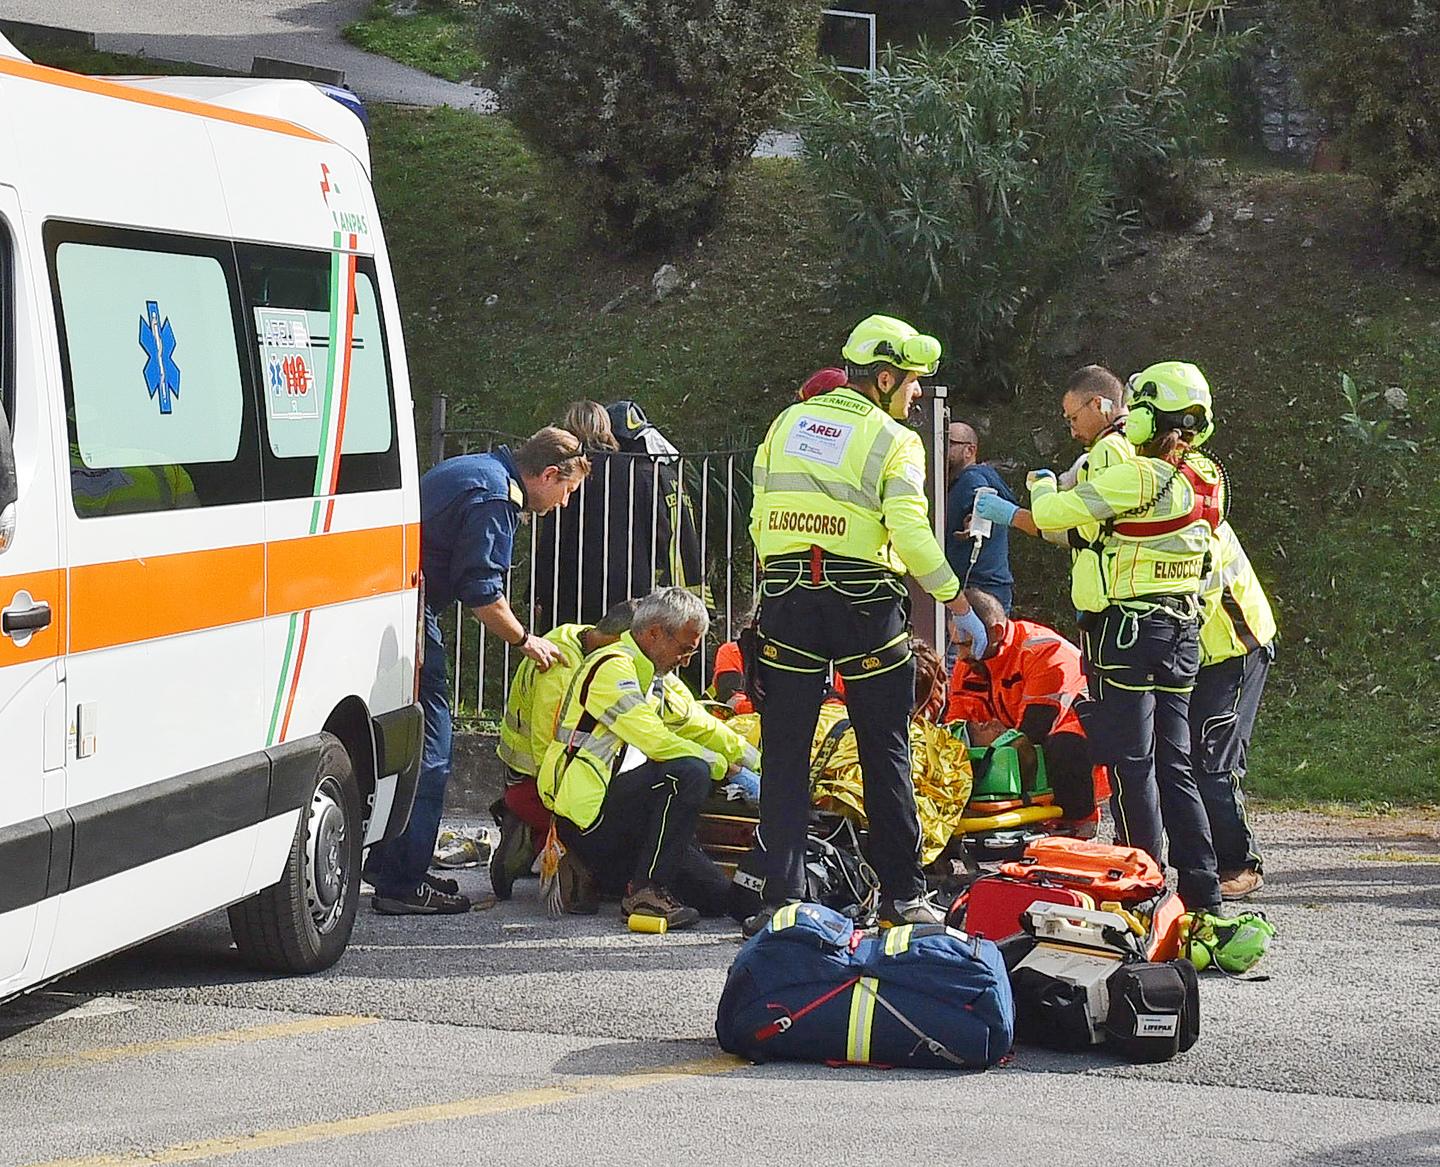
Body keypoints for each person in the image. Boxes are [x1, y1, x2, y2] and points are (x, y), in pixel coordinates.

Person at [747, 313, 988, 932]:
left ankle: (782, 903)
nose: (914, 396)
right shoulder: (893, 439)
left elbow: (758, 517)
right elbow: (909, 531)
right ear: (883, 378)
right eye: (911, 383)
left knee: (785, 756)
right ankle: (902, 897)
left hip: (787, 601)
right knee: (885, 750)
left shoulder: (786, 423)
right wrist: (955, 601)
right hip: (864, 607)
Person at [976, 361, 1225, 913]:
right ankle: (1203, 891)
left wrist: (1043, 482)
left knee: (1131, 764)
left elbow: (1053, 513)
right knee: (1175, 764)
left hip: (1132, 633)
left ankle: (1144, 883)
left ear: (1143, 416)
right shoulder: (1207, 477)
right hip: (1184, 629)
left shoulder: (1140, 474)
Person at [365, 427, 589, 915]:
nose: (564, 504)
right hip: (408, 610)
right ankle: (401, 885)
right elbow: (483, 595)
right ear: (548, 474)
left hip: (388, 602)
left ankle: (391, 866)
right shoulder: (496, 498)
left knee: (403, 741)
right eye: (566, 492)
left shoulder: (477, 469)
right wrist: (526, 641)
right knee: (432, 751)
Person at [537, 588, 761, 929]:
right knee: (690, 771)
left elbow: (705, 728)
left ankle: (605, 878)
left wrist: (761, 765)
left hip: (624, 813)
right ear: (655, 632)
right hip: (586, 818)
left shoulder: (659, 679)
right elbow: (656, 742)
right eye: (685, 649)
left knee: (723, 900)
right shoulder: (610, 668)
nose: (686, 660)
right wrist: (729, 770)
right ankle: (645, 891)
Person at [492, 598, 638, 899]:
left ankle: (536, 834)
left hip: (528, 773)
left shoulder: (575, 635)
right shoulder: (561, 671)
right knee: (603, 836)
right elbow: (549, 751)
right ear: (622, 640)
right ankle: (533, 836)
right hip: (534, 780)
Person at [944, 588, 1104, 835]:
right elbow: (956, 726)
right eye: (956, 645)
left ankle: (1079, 824)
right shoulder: (972, 662)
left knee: (1063, 745)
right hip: (1019, 735)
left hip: (1078, 744)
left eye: (966, 645)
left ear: (996, 632)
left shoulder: (1045, 651)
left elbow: (1032, 732)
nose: (960, 656)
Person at [1193, 519, 1277, 899]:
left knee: (1215, 762)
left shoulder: (1198, 524)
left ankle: (1241, 863)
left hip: (1235, 651)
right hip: (1194, 659)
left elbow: (1195, 607)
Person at [1043, 365, 1134, 614]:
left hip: (1110, 596)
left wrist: (1037, 498)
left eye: (1073, 418)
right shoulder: (1135, 441)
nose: (1073, 431)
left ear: (1097, 404)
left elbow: (1086, 532)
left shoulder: (1108, 448)